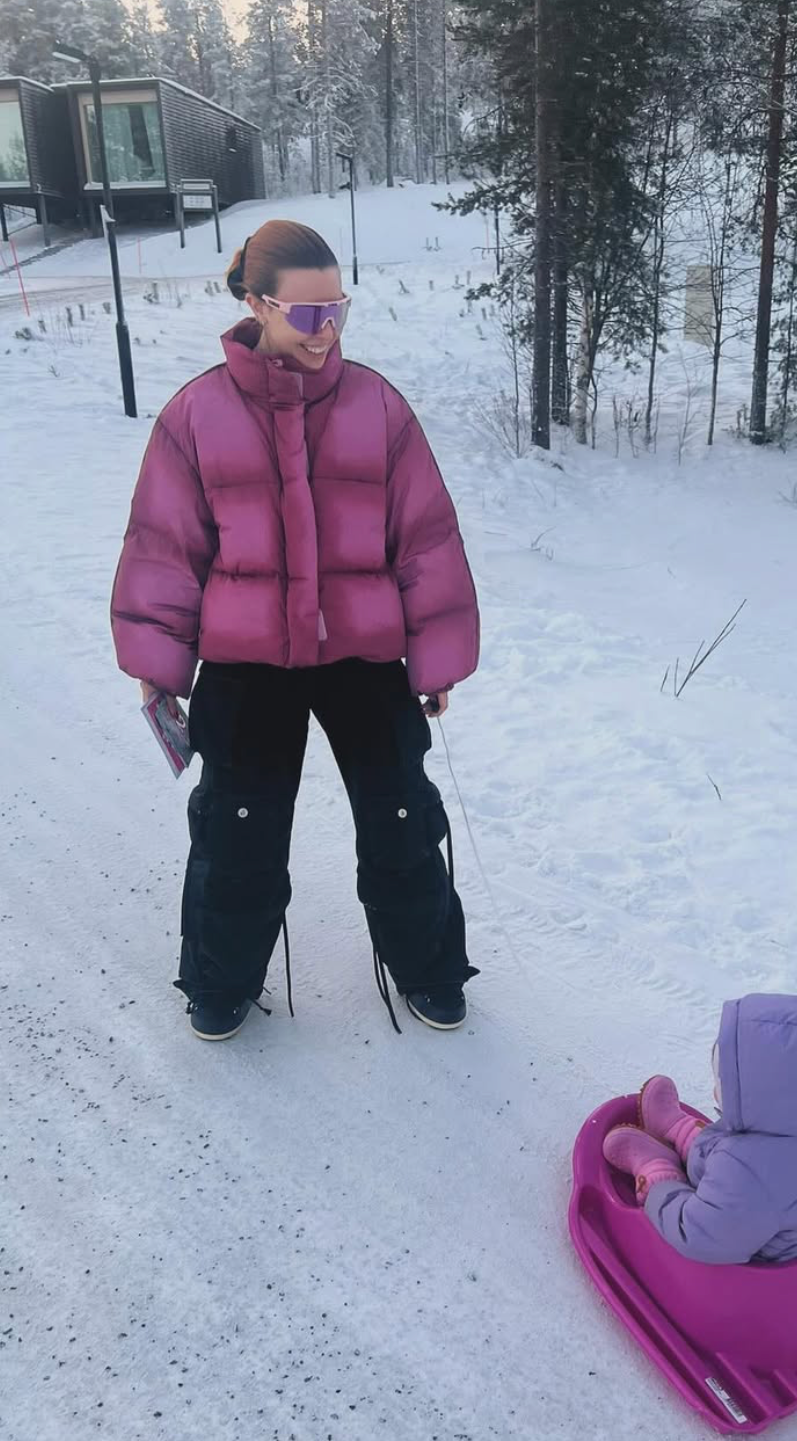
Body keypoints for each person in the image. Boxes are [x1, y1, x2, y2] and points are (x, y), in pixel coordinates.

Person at [111, 219, 481, 1041]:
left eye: (339, 309)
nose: (329, 331)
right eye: (310, 315)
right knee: (236, 827)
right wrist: (160, 664)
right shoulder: (197, 414)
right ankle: (219, 980)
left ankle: (428, 965)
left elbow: (423, 536)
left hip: (363, 656)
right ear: (257, 304)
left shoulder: (378, 407)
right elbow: (166, 548)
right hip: (248, 664)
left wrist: (436, 656)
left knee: (401, 817)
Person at [602, 994, 797, 1263]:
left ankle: (661, 1167)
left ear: (763, 1094)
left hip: (756, 1260)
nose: (714, 1090)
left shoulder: (746, 1176)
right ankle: (683, 1134)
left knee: (733, 1164)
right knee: (738, 1144)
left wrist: (661, 1187)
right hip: (768, 1208)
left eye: (725, 1083)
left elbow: (699, 1234)